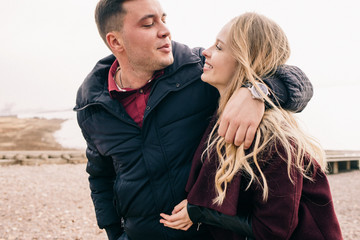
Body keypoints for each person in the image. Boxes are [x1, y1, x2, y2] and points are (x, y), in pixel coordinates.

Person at [74, 0, 313, 239]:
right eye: (148, 24)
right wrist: (115, 232)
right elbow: (100, 175)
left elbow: (299, 83)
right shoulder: (92, 103)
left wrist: (257, 91)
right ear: (115, 41)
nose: (165, 30)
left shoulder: (199, 69)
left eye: (163, 19)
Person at [159, 13, 342, 240]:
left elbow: (272, 231)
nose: (205, 52)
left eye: (219, 47)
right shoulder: (218, 114)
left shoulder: (273, 139)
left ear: (246, 58)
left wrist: (199, 211)